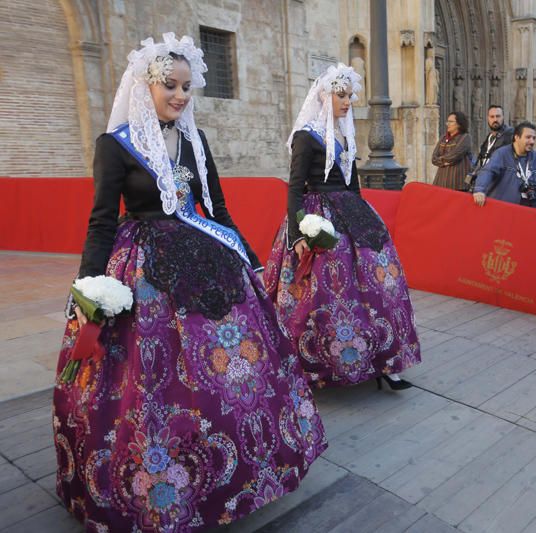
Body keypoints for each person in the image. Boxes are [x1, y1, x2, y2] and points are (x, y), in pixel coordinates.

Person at [53, 34, 326, 532]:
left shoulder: (195, 140)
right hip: (145, 268)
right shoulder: (115, 146)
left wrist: (249, 260)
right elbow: (100, 221)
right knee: (150, 374)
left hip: (205, 256)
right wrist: (88, 286)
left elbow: (217, 209)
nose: (180, 96)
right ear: (146, 86)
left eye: (186, 87)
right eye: (169, 86)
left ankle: (241, 466)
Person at [265, 63, 420, 391]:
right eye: (341, 95)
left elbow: (352, 184)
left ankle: (384, 360)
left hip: (350, 213)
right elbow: (294, 187)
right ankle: (310, 366)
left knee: (378, 285)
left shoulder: (344, 134)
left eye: (350, 95)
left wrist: (366, 221)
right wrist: (297, 235)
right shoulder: (307, 137)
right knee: (318, 294)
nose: (347, 101)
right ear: (324, 95)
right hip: (318, 217)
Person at [472, 122, 536, 208]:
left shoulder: (534, 156)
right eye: (528, 137)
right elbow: (488, 171)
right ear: (517, 137)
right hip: (507, 209)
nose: (532, 141)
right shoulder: (502, 154)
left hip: (529, 207)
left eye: (533, 138)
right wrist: (479, 190)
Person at [465, 105, 514, 191]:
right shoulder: (490, 137)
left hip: (499, 183)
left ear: (503, 117)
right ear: (488, 118)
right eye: (492, 117)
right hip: (485, 181)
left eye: (498, 116)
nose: (495, 120)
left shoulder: (510, 135)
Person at [432, 111, 473, 191]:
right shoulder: (443, 138)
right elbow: (433, 158)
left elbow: (454, 155)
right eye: (447, 121)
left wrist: (440, 160)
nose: (448, 124)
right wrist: (444, 162)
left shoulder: (465, 137)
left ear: (459, 124)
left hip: (457, 184)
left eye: (451, 122)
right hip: (441, 182)